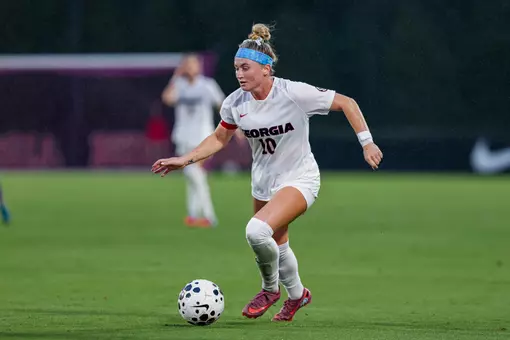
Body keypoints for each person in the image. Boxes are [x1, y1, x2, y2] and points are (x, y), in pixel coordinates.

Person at [153, 24, 383, 322]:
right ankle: (298, 296)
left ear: (266, 68)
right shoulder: (235, 102)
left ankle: (270, 289)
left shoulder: (293, 93)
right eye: (236, 68)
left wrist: (367, 143)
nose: (239, 74)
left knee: (256, 231)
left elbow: (347, 103)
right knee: (278, 242)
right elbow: (219, 139)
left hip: (300, 179)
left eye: (245, 67)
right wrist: (184, 159)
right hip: (263, 182)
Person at [161, 54, 225, 228]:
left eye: (193, 64)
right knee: (193, 176)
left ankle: (209, 216)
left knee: (193, 173)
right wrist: (175, 76)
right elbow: (167, 98)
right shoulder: (179, 86)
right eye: (187, 65)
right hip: (183, 137)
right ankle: (193, 214)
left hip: (203, 137)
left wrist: (236, 129)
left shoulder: (207, 85)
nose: (190, 68)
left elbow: (222, 106)